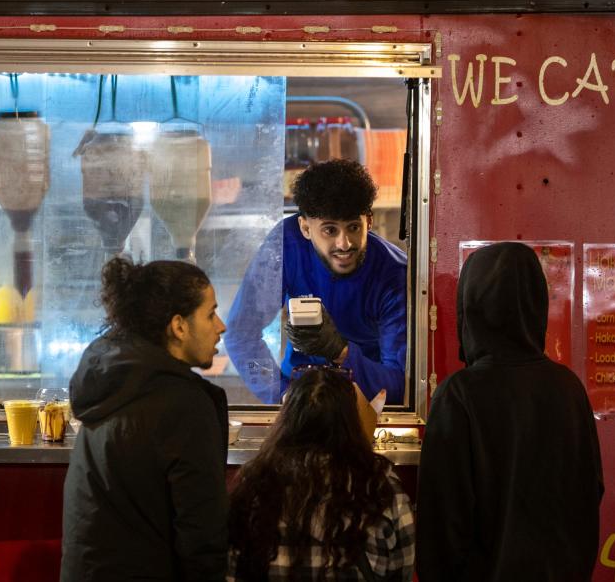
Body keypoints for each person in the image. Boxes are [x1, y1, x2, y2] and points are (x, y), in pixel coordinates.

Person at [416, 242, 604, 582]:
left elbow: (440, 525)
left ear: (470, 308)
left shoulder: (459, 395)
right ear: (536, 305)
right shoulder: (569, 390)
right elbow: (589, 498)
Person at [61, 256, 229, 581]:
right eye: (210, 314)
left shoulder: (109, 381)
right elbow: (202, 534)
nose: (220, 326)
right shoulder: (184, 404)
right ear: (179, 326)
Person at [224, 159, 407, 404]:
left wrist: (340, 351)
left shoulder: (393, 274)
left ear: (369, 222)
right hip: (299, 391)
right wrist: (281, 394)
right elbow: (240, 333)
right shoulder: (285, 246)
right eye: (330, 230)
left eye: (353, 227)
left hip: (365, 400)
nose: (345, 244)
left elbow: (397, 386)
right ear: (305, 228)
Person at [228, 366, 415, 581]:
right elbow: (403, 570)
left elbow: (233, 568)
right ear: (352, 423)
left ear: (286, 420)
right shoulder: (382, 487)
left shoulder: (254, 484)